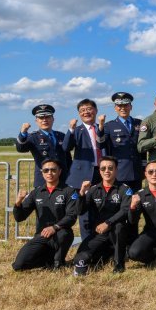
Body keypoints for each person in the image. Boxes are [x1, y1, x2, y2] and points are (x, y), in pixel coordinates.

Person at [12, 159, 78, 271]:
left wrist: (54, 227)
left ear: (59, 172)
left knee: (64, 236)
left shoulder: (69, 191)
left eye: (53, 170)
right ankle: (48, 261)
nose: (49, 173)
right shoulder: (37, 192)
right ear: (42, 173)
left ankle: (58, 262)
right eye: (46, 170)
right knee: (18, 265)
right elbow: (20, 217)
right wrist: (18, 203)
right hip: (42, 235)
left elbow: (71, 216)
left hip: (61, 232)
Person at [73, 156, 132, 275]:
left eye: (110, 168)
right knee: (81, 257)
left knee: (119, 227)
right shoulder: (93, 189)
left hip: (117, 232)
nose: (107, 171)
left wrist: (108, 223)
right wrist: (82, 194)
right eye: (103, 168)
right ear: (99, 170)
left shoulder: (124, 189)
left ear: (116, 170)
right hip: (100, 233)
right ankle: (107, 254)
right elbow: (80, 211)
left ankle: (119, 264)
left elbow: (125, 210)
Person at [63, 98, 106, 240]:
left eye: (89, 109)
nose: (86, 112)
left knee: (101, 208)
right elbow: (66, 147)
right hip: (83, 175)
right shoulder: (77, 131)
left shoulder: (103, 128)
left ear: (96, 110)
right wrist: (71, 129)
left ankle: (101, 241)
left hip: (102, 173)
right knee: (85, 212)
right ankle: (87, 243)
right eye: (82, 110)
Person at [15, 104, 70, 187]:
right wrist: (23, 133)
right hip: (43, 179)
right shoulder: (33, 137)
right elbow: (20, 148)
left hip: (62, 178)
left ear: (53, 119)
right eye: (41, 118)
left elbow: (68, 158)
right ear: (36, 121)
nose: (45, 120)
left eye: (48, 117)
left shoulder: (61, 135)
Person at [102, 92, 145, 192]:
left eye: (126, 105)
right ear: (115, 108)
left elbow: (142, 148)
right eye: (120, 106)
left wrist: (144, 167)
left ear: (131, 107)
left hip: (137, 171)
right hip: (119, 172)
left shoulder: (140, 123)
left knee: (136, 201)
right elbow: (103, 146)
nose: (123, 108)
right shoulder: (109, 126)